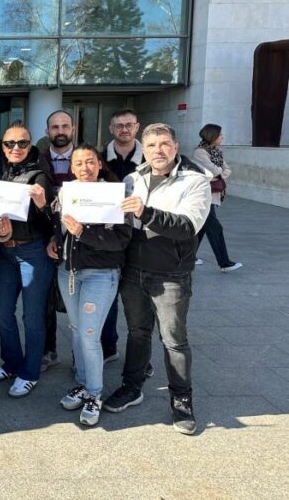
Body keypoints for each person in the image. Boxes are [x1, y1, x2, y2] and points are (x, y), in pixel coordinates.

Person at [103, 123, 210, 435]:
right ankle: (132, 387)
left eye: (164, 144)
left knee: (174, 339)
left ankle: (181, 400)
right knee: (137, 332)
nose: (158, 151)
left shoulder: (195, 181)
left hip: (171, 273)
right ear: (143, 149)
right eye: (151, 145)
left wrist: (145, 212)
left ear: (175, 147)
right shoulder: (131, 179)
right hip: (133, 269)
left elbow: (187, 226)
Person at [46, 144, 131, 426]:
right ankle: (83, 383)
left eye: (90, 162)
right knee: (76, 331)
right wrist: (54, 242)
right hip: (68, 272)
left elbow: (121, 239)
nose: (85, 168)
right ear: (71, 167)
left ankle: (95, 394)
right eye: (79, 163)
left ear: (99, 164)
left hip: (100, 273)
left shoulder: (114, 195)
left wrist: (83, 232)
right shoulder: (65, 193)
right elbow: (59, 229)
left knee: (89, 335)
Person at [0, 121, 56, 398]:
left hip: (33, 252)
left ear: (31, 145)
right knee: (2, 311)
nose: (16, 148)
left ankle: (30, 372)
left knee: (32, 316)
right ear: (2, 147)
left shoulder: (40, 176)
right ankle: (12, 363)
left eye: (22, 143)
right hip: (7, 252)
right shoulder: (0, 172)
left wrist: (42, 205)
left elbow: (52, 222)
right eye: (10, 143)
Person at [100, 109, 155, 377]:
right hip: (107, 240)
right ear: (111, 129)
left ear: (137, 127)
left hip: (141, 241)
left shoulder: (151, 159)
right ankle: (107, 347)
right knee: (107, 299)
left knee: (137, 305)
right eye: (119, 125)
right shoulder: (98, 159)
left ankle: (141, 357)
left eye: (129, 125)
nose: (124, 130)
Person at [39, 109, 78, 373]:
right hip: (45, 239)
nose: (60, 131)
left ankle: (84, 356)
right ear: (47, 132)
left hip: (82, 241)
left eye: (65, 126)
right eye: (55, 127)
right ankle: (48, 350)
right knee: (44, 300)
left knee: (80, 303)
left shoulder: (88, 158)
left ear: (73, 129)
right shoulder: (38, 160)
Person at [192, 124, 242, 273]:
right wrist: (218, 173)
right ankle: (224, 263)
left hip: (212, 195)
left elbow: (227, 171)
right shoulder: (200, 153)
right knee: (215, 228)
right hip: (202, 196)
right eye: (220, 135)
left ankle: (188, 257)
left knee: (201, 228)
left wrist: (217, 173)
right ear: (212, 136)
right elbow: (213, 171)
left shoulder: (217, 152)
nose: (222, 137)